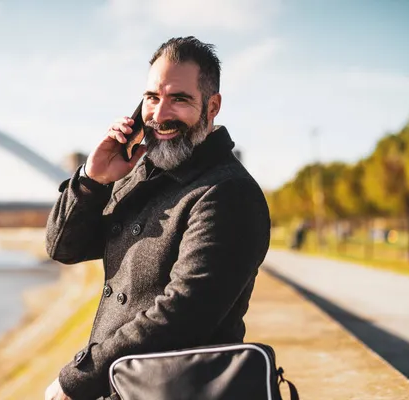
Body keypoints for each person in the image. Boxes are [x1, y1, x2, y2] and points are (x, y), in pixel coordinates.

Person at [44, 36, 271, 400]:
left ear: (212, 106)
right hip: (126, 387)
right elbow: (63, 247)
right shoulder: (140, 175)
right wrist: (92, 179)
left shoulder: (228, 192)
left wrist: (78, 379)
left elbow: (183, 314)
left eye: (179, 99)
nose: (160, 114)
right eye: (152, 98)